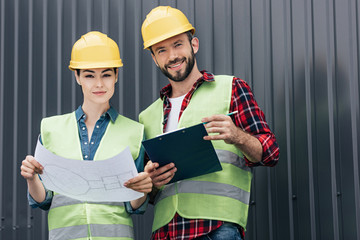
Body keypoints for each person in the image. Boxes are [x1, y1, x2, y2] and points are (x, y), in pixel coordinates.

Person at [139, 6, 280, 240]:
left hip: (217, 230)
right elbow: (151, 194)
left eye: (178, 44)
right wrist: (151, 182)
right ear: (154, 59)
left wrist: (237, 135)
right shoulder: (148, 116)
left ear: (193, 45)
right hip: (166, 233)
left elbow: (271, 153)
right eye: (161, 50)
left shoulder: (232, 88)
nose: (172, 56)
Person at [20, 31, 154, 240]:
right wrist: (31, 178)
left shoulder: (134, 132)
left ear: (116, 76)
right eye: (89, 75)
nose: (99, 84)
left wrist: (144, 189)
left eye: (106, 74)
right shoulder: (51, 129)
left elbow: (133, 205)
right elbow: (43, 200)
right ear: (77, 76)